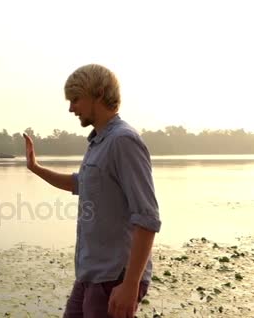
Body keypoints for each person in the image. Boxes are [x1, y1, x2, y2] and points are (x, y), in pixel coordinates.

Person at [23, 64, 161, 318]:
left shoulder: (123, 141)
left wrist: (130, 284)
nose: (71, 108)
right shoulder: (99, 141)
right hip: (91, 275)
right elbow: (80, 184)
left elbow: (147, 217)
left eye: (76, 99)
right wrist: (36, 168)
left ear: (98, 94)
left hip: (114, 278)